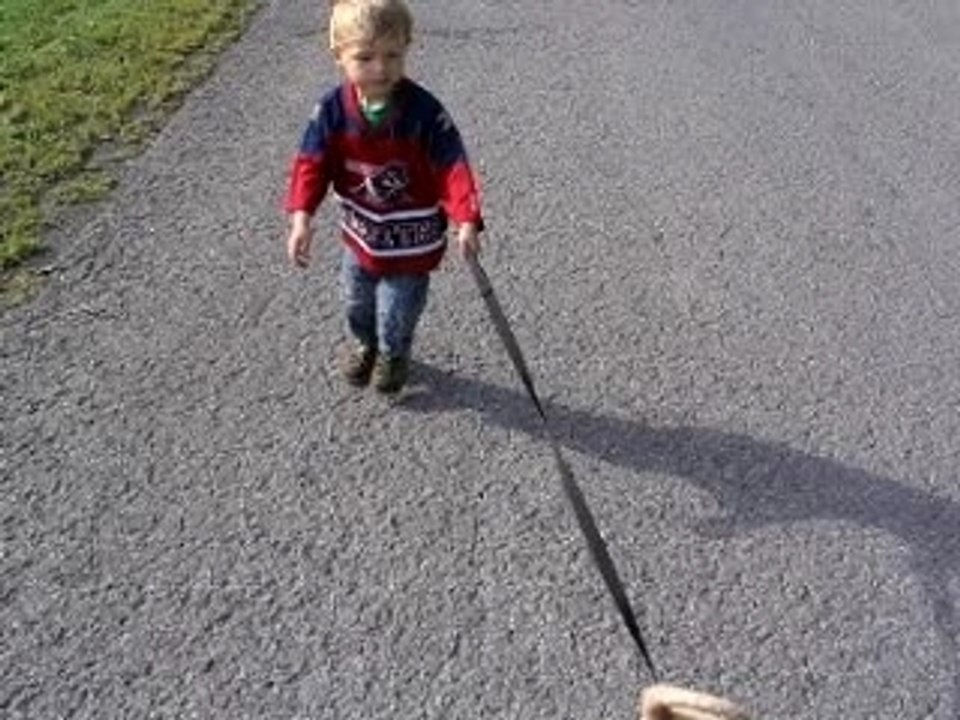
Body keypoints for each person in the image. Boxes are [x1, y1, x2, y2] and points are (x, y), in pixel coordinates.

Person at [285, 0, 484, 394]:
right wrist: (301, 216)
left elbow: (452, 165)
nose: (381, 68)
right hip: (361, 235)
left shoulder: (424, 113)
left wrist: (466, 217)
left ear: (407, 48)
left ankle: (394, 353)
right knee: (355, 302)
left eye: (393, 55)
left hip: (412, 240)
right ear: (338, 57)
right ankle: (366, 343)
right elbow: (312, 163)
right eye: (365, 57)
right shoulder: (331, 111)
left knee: (397, 308)